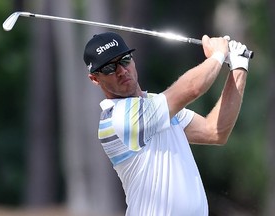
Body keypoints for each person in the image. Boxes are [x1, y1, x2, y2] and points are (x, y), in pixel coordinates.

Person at [83, 31, 249, 216]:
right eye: (108, 68)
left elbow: (215, 132)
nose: (121, 71)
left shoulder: (155, 106)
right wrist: (218, 55)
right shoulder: (119, 118)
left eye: (124, 60)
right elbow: (192, 89)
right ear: (95, 78)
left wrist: (239, 67)